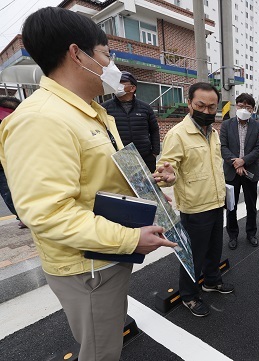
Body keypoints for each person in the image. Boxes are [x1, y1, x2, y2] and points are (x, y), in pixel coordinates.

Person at [0, 8, 175, 360]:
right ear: (76, 54)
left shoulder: (91, 110)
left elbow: (99, 177)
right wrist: (129, 238)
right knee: (101, 351)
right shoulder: (41, 120)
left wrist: (147, 181)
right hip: (88, 267)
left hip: (106, 254)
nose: (113, 66)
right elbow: (48, 213)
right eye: (106, 54)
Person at [154, 82, 234, 317]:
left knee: (213, 249)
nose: (207, 111)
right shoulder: (177, 134)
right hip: (195, 207)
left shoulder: (214, 132)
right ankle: (189, 295)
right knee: (193, 255)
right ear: (189, 103)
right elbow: (168, 169)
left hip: (216, 202)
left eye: (212, 107)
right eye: (201, 105)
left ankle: (211, 280)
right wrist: (168, 176)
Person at [220, 93, 259, 250]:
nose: (244, 109)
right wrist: (236, 163)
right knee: (231, 206)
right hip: (231, 172)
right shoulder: (226, 124)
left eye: (248, 107)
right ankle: (232, 235)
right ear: (236, 106)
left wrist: (243, 161)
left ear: (252, 110)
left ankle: (251, 233)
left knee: (251, 206)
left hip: (250, 171)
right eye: (241, 105)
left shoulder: (258, 126)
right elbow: (223, 147)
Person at [102, 71, 160, 172]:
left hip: (144, 157)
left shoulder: (145, 108)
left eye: (121, 83)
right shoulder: (105, 108)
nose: (117, 86)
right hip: (118, 158)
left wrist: (155, 152)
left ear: (132, 88)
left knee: (147, 186)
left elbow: (154, 130)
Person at [0, 96, 26, 229]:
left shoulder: (6, 114)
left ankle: (25, 216)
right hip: (7, 160)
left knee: (10, 191)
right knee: (7, 192)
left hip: (12, 159)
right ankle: (22, 216)